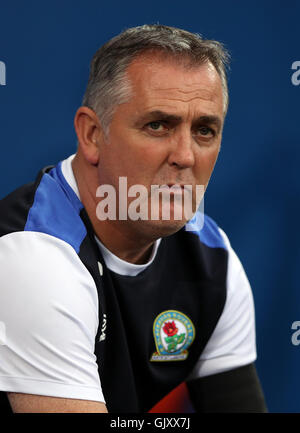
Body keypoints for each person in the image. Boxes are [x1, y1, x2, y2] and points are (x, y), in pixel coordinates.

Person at [0, 24, 267, 413]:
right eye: (158, 125)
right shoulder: (34, 255)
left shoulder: (211, 255)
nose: (186, 156)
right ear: (92, 134)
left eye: (205, 130)